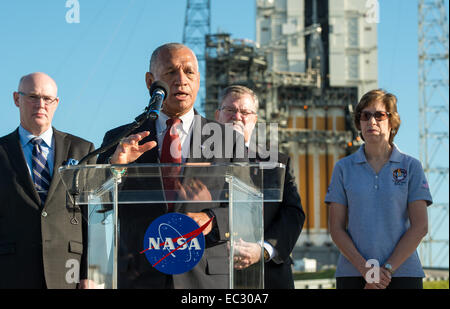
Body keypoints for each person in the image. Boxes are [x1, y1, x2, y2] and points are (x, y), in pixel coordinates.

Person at [96, 43, 245, 289]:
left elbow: (247, 208)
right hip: (140, 274)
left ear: (199, 80)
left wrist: (210, 219)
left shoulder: (227, 140)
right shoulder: (120, 140)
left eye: (189, 72)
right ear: (150, 81)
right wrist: (117, 167)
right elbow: (98, 205)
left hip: (204, 277)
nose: (181, 80)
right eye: (170, 73)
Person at [325, 89, 432, 289]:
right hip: (353, 275)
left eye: (379, 115)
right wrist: (366, 270)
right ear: (359, 123)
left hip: (403, 275)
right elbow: (336, 228)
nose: (371, 121)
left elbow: (420, 226)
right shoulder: (343, 168)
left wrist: (386, 270)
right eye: (364, 116)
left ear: (392, 122)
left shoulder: (411, 167)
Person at [0, 72, 95, 288]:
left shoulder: (83, 150)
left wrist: (89, 271)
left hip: (68, 272)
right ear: (17, 99)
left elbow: (91, 217)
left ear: (56, 103)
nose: (40, 105)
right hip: (10, 272)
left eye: (47, 99)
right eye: (33, 97)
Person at [215, 85, 305, 289]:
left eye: (245, 112)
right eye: (230, 110)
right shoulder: (197, 162)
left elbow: (293, 214)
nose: (237, 117)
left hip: (269, 277)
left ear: (254, 120)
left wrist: (263, 249)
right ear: (217, 116)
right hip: (212, 276)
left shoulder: (277, 163)